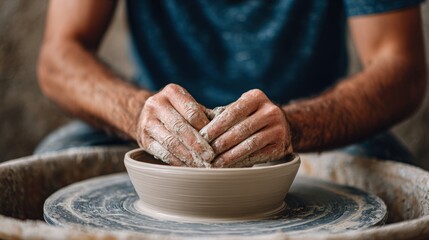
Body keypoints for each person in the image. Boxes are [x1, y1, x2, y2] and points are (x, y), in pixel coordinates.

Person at [36, 0, 427, 167]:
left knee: (393, 192)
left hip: (309, 127)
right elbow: (60, 54)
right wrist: (136, 112)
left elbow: (400, 64)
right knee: (55, 161)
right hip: (158, 125)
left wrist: (297, 127)